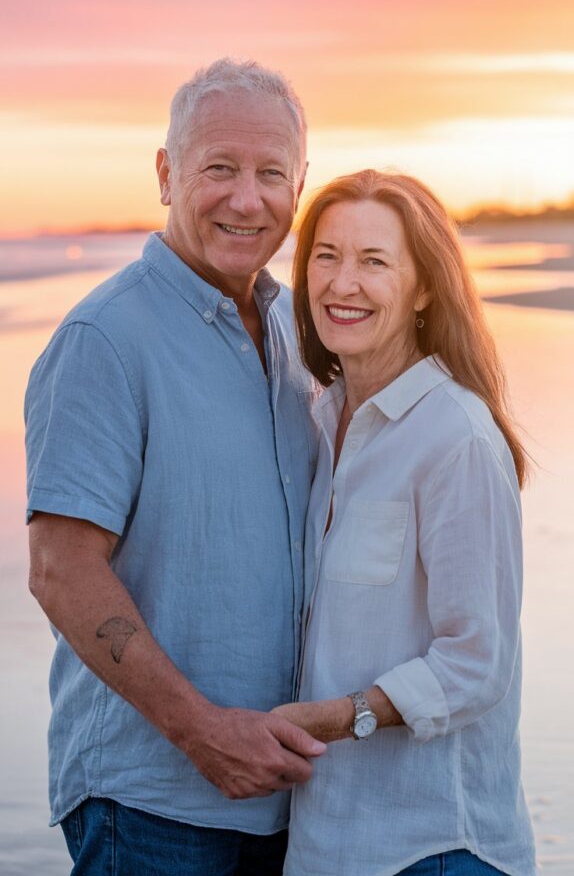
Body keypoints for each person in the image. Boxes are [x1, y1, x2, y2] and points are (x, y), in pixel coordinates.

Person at [25, 58, 326, 876]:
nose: (246, 198)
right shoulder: (106, 340)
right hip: (149, 802)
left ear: (301, 183)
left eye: (271, 174)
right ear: (166, 173)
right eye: (218, 168)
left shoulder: (301, 338)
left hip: (284, 792)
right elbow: (59, 569)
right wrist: (204, 731)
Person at [274, 170, 536, 876]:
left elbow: (479, 662)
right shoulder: (318, 425)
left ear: (423, 288)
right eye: (325, 255)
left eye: (373, 261)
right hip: (326, 844)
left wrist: (338, 716)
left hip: (432, 849)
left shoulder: (456, 439)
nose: (341, 282)